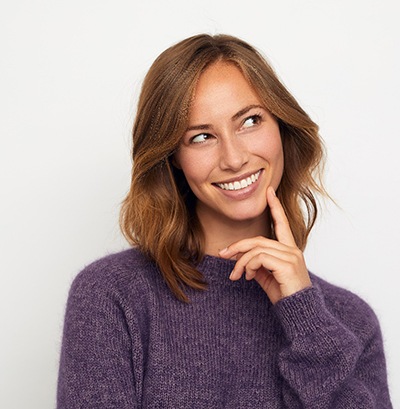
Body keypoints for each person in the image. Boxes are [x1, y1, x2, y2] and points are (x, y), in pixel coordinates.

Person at [57, 34, 392, 408]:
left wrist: (305, 317)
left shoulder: (349, 322)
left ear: (282, 126)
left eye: (250, 120)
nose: (233, 158)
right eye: (201, 137)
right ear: (173, 159)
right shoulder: (113, 297)